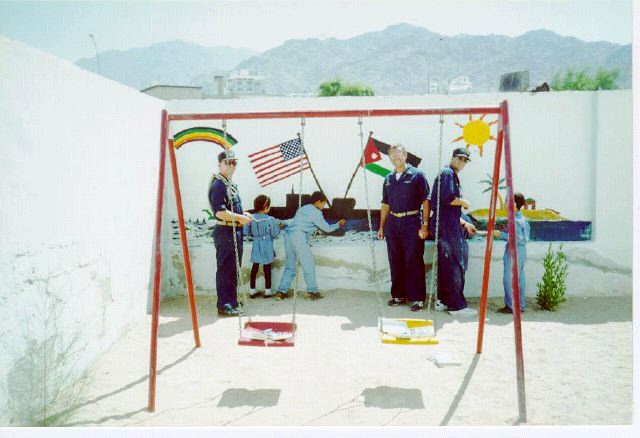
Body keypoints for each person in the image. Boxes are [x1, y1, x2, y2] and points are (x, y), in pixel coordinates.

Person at [376, 144, 430, 312]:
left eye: (399, 155)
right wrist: (381, 227)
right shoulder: (388, 178)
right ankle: (398, 295)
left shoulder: (417, 175)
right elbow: (385, 204)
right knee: (395, 260)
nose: (395, 158)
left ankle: (417, 298)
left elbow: (426, 201)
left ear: (405, 155)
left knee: (413, 260)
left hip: (412, 222)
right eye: (392, 155)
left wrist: (425, 225)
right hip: (393, 224)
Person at [429, 147, 478, 317]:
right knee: (457, 263)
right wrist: (464, 202)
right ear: (453, 158)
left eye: (465, 160)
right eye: (459, 158)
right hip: (447, 226)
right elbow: (448, 199)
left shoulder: (451, 175)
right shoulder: (447, 173)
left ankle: (443, 301)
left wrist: (464, 223)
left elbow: (447, 209)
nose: (462, 162)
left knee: (447, 264)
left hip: (447, 223)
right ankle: (456, 306)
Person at [276, 191, 346, 300]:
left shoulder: (303, 208)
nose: (324, 206)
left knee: (290, 266)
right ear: (318, 202)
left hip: (288, 235)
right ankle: (312, 292)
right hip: (299, 236)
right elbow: (326, 228)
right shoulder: (316, 212)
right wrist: (338, 224)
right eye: (323, 204)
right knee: (308, 265)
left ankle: (281, 292)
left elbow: (294, 221)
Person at [208, 150, 253, 316]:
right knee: (226, 269)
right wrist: (240, 218)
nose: (232, 165)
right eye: (228, 162)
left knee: (234, 268)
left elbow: (232, 207)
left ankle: (231, 300)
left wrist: (244, 215)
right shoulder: (218, 185)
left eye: (234, 162)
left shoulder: (229, 183)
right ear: (219, 164)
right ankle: (224, 304)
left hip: (234, 230)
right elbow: (219, 212)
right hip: (225, 231)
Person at [493, 192, 530, 314]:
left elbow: (515, 237)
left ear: (513, 204)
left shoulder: (514, 219)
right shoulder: (522, 218)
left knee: (508, 279)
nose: (504, 203)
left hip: (514, 250)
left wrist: (501, 234)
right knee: (520, 278)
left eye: (507, 200)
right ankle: (521, 305)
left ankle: (511, 306)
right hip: (522, 251)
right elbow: (523, 237)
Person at [243, 195, 284, 299]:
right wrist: (279, 227)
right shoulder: (271, 219)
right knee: (267, 268)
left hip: (256, 243)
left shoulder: (251, 218)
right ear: (266, 207)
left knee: (255, 267)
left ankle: (252, 290)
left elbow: (246, 232)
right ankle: (268, 291)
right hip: (267, 245)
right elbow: (275, 234)